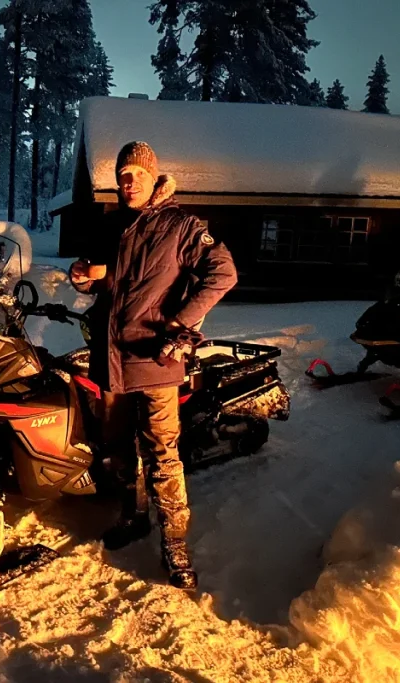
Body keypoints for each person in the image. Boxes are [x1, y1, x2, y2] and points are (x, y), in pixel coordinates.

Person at [69, 141, 237, 590]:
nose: (128, 183)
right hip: (111, 361)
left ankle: (175, 542)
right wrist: (87, 278)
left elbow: (224, 274)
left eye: (136, 175)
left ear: (153, 178)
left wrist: (181, 321)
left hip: (155, 360)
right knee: (119, 450)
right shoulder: (114, 225)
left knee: (163, 455)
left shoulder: (181, 226)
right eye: (122, 176)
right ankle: (133, 516)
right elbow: (112, 281)